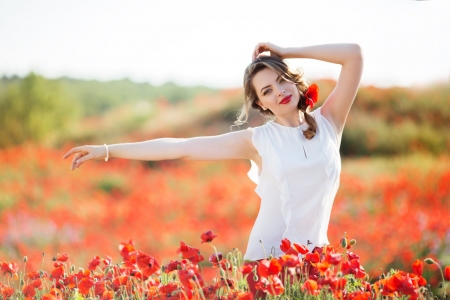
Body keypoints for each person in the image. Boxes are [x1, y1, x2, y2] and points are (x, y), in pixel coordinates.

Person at [63, 43, 363, 298]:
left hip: (319, 260)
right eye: (267, 91)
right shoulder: (258, 140)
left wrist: (288, 50)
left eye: (283, 80)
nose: (279, 92)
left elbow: (354, 54)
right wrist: (106, 150)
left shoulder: (329, 123)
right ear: (261, 103)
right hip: (268, 263)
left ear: (295, 81)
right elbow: (180, 146)